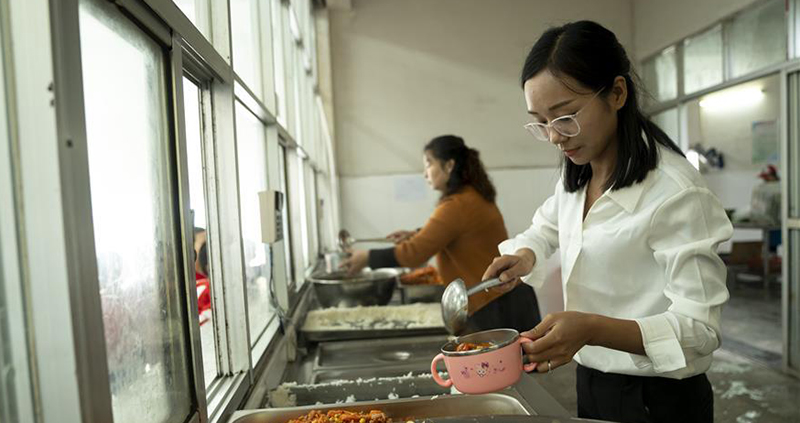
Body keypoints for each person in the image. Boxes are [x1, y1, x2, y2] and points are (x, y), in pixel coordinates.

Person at [481, 21, 732, 423]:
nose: (554, 138)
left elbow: (699, 328)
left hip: (659, 397)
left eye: (564, 117)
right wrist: (525, 254)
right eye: (540, 122)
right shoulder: (580, 174)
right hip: (593, 381)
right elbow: (547, 226)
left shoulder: (676, 192)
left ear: (617, 93)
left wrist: (592, 328)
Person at [341, 135, 540, 333]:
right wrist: (416, 233)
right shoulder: (471, 196)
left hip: (497, 304)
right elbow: (456, 234)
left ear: (448, 166)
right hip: (504, 297)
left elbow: (414, 253)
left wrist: (367, 257)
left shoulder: (458, 205)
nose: (425, 174)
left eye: (429, 164)